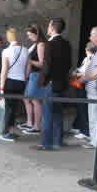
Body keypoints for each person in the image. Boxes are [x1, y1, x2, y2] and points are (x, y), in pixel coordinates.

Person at [32, 18, 72, 151]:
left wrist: (41, 81)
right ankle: (57, 141)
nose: (47, 28)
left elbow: (46, 65)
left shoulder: (49, 44)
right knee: (58, 112)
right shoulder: (67, 44)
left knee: (47, 114)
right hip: (61, 83)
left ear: (53, 27)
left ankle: (46, 143)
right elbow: (68, 65)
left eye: (49, 25)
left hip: (50, 84)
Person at [0, 28, 29, 142]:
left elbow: (4, 71)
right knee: (14, 108)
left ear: (8, 37)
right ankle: (11, 131)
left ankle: (5, 132)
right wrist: (24, 81)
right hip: (21, 82)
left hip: (9, 82)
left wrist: (1, 87)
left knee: (8, 108)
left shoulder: (6, 51)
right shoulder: (25, 50)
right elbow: (28, 69)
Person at [20, 25, 47, 135]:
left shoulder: (41, 44)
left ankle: (37, 126)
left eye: (30, 35)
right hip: (32, 75)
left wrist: (29, 60)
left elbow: (42, 64)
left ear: (37, 34)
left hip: (37, 75)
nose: (29, 37)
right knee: (26, 98)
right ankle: (29, 122)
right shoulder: (35, 44)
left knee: (35, 100)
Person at [71, 41, 97, 140]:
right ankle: (79, 127)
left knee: (83, 108)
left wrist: (76, 74)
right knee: (81, 108)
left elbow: (86, 73)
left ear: (87, 49)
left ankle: (85, 131)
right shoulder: (87, 58)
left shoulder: (90, 58)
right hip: (82, 85)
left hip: (84, 85)